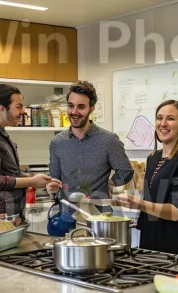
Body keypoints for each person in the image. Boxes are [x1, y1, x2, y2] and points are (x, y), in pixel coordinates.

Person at [116, 100, 178, 256]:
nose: (163, 123)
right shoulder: (153, 158)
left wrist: (138, 203)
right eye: (159, 118)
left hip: (173, 249)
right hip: (148, 246)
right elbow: (151, 203)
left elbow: (175, 212)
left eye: (170, 118)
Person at [46, 81, 133, 210]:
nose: (74, 112)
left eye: (81, 107)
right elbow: (54, 178)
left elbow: (126, 171)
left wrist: (108, 184)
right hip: (66, 215)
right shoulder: (57, 142)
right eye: (71, 106)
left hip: (100, 216)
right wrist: (51, 186)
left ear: (91, 108)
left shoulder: (109, 140)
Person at [0, 84, 51, 218]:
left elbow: (10, 172)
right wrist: (31, 182)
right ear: (1, 109)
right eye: (19, 106)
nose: (23, 111)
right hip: (0, 216)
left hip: (11, 214)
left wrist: (32, 177)